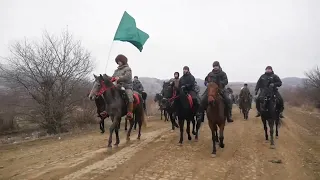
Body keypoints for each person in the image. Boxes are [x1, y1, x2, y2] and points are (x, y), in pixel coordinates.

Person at [112, 54, 134, 119]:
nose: (118, 62)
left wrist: (118, 78)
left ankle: (129, 112)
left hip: (126, 86)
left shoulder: (128, 69)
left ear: (123, 61)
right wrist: (110, 78)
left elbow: (127, 77)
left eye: (119, 61)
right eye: (117, 61)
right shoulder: (116, 70)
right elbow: (113, 77)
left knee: (130, 97)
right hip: (117, 86)